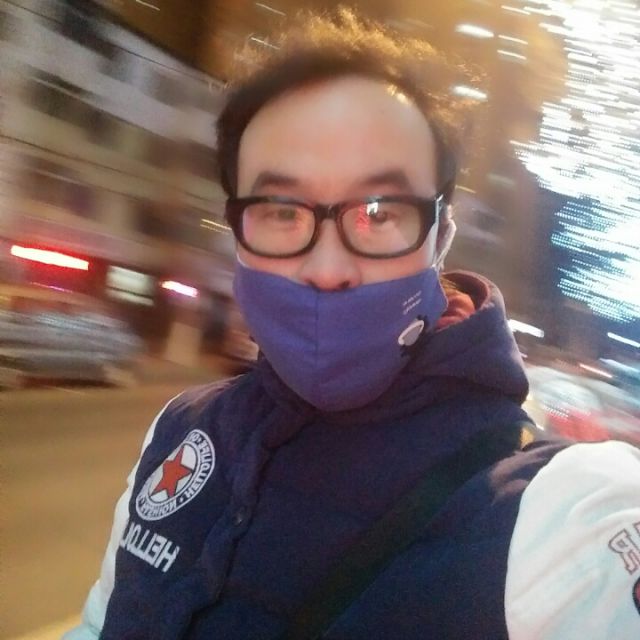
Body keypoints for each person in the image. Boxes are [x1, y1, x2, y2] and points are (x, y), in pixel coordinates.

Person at [65, 8, 640, 640]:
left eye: (379, 212)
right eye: (282, 212)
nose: (328, 269)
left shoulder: (560, 520)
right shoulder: (179, 430)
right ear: (237, 232)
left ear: (441, 237)